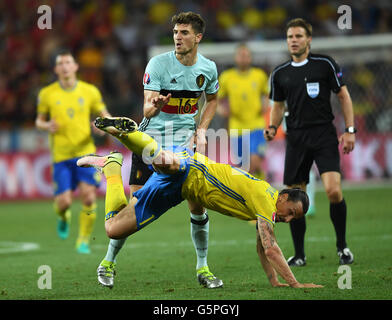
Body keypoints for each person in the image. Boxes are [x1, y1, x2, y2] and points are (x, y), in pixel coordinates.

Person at [77, 116, 323, 289]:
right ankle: (125, 132)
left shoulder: (266, 208)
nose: (288, 219)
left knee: (113, 228)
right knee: (165, 162)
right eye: (290, 212)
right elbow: (272, 249)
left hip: (178, 190)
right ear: (283, 197)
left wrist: (274, 282)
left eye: (293, 218)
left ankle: (111, 167)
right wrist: (295, 283)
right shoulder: (266, 200)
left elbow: (263, 248)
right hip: (192, 168)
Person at [97, 12, 222, 289]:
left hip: (184, 144)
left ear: (198, 37)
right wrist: (157, 105)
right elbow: (146, 109)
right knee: (135, 207)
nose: (178, 37)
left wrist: (201, 129)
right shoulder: (158, 64)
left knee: (197, 203)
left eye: (184, 32)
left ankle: (203, 267)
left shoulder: (208, 68)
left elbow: (212, 100)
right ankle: (108, 261)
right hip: (150, 141)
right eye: (176, 32)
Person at [264, 18, 356, 266]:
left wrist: (350, 130)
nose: (293, 40)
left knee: (333, 191)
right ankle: (300, 255)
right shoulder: (279, 73)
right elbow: (278, 105)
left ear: (308, 39)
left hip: (324, 134)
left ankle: (342, 247)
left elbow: (344, 96)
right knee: (295, 199)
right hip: (296, 139)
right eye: (290, 37)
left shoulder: (324, 64)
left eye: (298, 36)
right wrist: (272, 127)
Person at [35, 51, 111, 254]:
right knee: (64, 202)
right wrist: (46, 125)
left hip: (86, 153)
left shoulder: (90, 91)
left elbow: (105, 116)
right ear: (56, 69)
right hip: (61, 156)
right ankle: (63, 216)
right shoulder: (47, 94)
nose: (65, 66)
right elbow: (38, 120)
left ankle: (83, 241)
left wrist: (102, 125)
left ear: (75, 66)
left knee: (88, 198)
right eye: (60, 63)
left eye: (68, 62)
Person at [217, 44, 269, 179]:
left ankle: (255, 187)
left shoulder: (259, 75)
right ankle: (260, 184)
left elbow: (267, 94)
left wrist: (265, 105)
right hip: (236, 127)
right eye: (241, 55)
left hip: (256, 125)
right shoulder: (227, 77)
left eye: (246, 55)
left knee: (254, 161)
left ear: (250, 58)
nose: (243, 58)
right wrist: (221, 109)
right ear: (235, 58)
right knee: (244, 167)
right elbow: (216, 99)